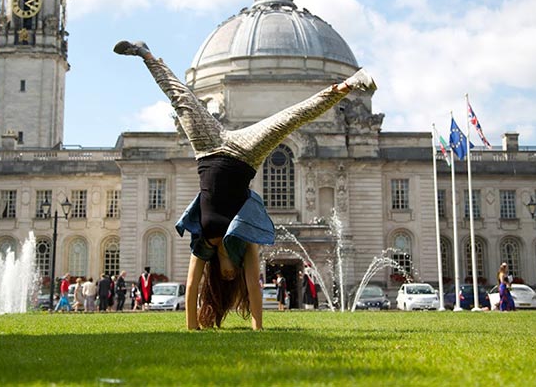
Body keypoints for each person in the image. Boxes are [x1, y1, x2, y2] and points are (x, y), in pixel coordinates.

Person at [114, 39, 376, 330]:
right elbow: (254, 285)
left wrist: (192, 328)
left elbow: (191, 289)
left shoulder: (204, 244)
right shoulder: (245, 239)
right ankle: (350, 85)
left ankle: (145, 52)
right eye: (231, 277)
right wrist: (257, 327)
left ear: (216, 275)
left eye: (223, 277)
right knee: (292, 118)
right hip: (244, 153)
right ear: (234, 273)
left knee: (181, 98)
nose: (228, 276)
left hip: (208, 149)